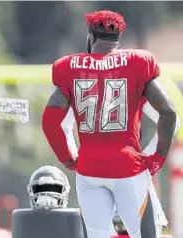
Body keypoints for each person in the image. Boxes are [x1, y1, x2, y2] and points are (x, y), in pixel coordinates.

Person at [42, 10, 177, 238]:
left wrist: (68, 157)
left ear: (91, 38)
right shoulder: (138, 62)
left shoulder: (68, 67)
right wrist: (157, 158)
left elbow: (50, 122)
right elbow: (169, 111)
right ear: (118, 41)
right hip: (127, 167)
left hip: (89, 169)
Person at [62, 104, 180, 237]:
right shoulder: (134, 85)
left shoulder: (82, 85)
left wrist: (74, 158)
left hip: (110, 172)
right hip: (117, 173)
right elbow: (171, 120)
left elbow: (172, 120)